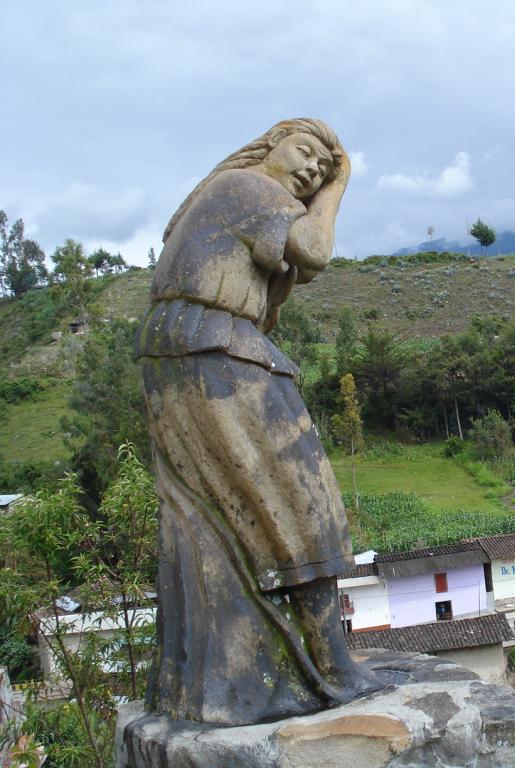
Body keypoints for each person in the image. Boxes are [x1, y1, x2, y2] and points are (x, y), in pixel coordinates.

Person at [137, 118, 381, 725]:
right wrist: (340, 186)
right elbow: (314, 251)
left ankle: (228, 678)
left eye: (323, 170)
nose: (311, 172)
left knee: (218, 514)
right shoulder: (248, 188)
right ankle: (330, 666)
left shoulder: (236, 197)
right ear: (270, 146)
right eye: (305, 154)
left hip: (192, 348)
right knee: (303, 500)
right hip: (213, 351)